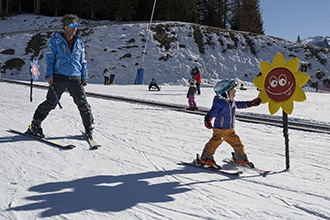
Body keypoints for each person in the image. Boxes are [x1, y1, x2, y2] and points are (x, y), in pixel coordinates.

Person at [26, 14, 94, 139]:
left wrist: (84, 76)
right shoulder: (55, 41)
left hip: (75, 77)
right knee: (51, 102)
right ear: (65, 26)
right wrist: (49, 75)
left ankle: (89, 128)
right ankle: (35, 124)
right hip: (59, 77)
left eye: (76, 25)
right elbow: (50, 59)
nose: (75, 28)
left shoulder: (79, 44)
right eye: (72, 25)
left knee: (83, 103)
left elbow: (83, 62)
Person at [198, 79, 261, 168]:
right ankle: (205, 158)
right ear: (225, 93)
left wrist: (251, 103)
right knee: (214, 143)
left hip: (230, 130)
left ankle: (240, 158)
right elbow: (212, 112)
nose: (235, 94)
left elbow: (240, 104)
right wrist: (208, 119)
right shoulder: (219, 103)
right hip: (220, 129)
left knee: (237, 143)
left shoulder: (231, 102)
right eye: (232, 92)